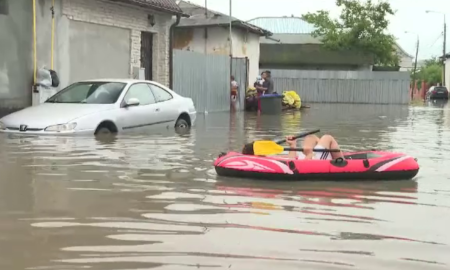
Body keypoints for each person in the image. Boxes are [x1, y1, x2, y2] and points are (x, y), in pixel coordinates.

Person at [242, 134, 344, 160]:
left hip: (308, 157)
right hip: (312, 160)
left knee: (310, 137)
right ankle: (343, 163)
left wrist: (292, 145)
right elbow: (302, 167)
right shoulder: (267, 162)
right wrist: (309, 154)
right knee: (327, 137)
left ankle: (327, 152)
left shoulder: (268, 158)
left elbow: (290, 161)